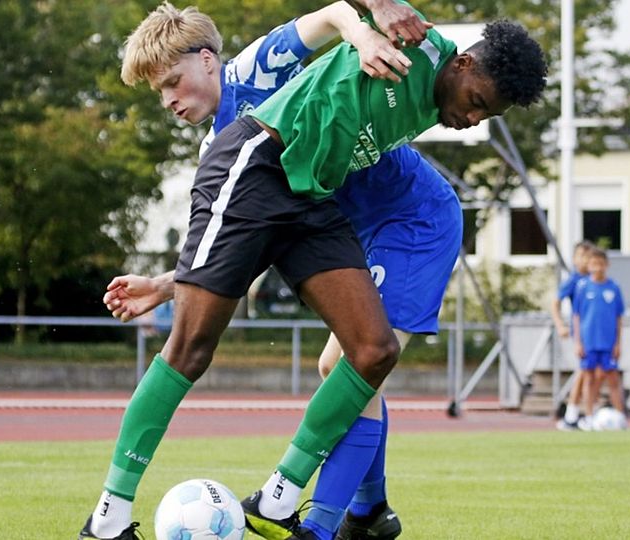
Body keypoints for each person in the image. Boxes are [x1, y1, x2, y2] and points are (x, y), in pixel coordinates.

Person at [84, 3, 547, 540]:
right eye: (159, 90)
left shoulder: (261, 67)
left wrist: (371, 21)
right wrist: (169, 284)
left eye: (172, 82)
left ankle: (287, 502)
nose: (168, 99)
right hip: (283, 179)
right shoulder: (222, 143)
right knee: (205, 349)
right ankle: (109, 519)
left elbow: (344, 14)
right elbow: (235, 235)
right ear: (465, 68)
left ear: (207, 60)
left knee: (370, 353)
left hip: (355, 208)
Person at [572, 248, 626, 431]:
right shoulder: (582, 287)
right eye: (594, 264)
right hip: (589, 342)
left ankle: (621, 417)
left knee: (613, 378)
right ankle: (588, 417)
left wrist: (618, 343)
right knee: (589, 378)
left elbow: (619, 317)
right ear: (588, 266)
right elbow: (576, 316)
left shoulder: (614, 287)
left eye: (601, 264)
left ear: (607, 265)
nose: (597, 268)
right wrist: (578, 342)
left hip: (608, 342)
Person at [552, 240, 595, 431]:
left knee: (592, 374)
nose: (585, 260)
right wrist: (560, 325)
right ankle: (572, 415)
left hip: (595, 333)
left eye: (588, 256)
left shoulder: (595, 278)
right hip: (581, 334)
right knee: (583, 372)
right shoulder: (574, 280)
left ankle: (585, 414)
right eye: (581, 256)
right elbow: (555, 302)